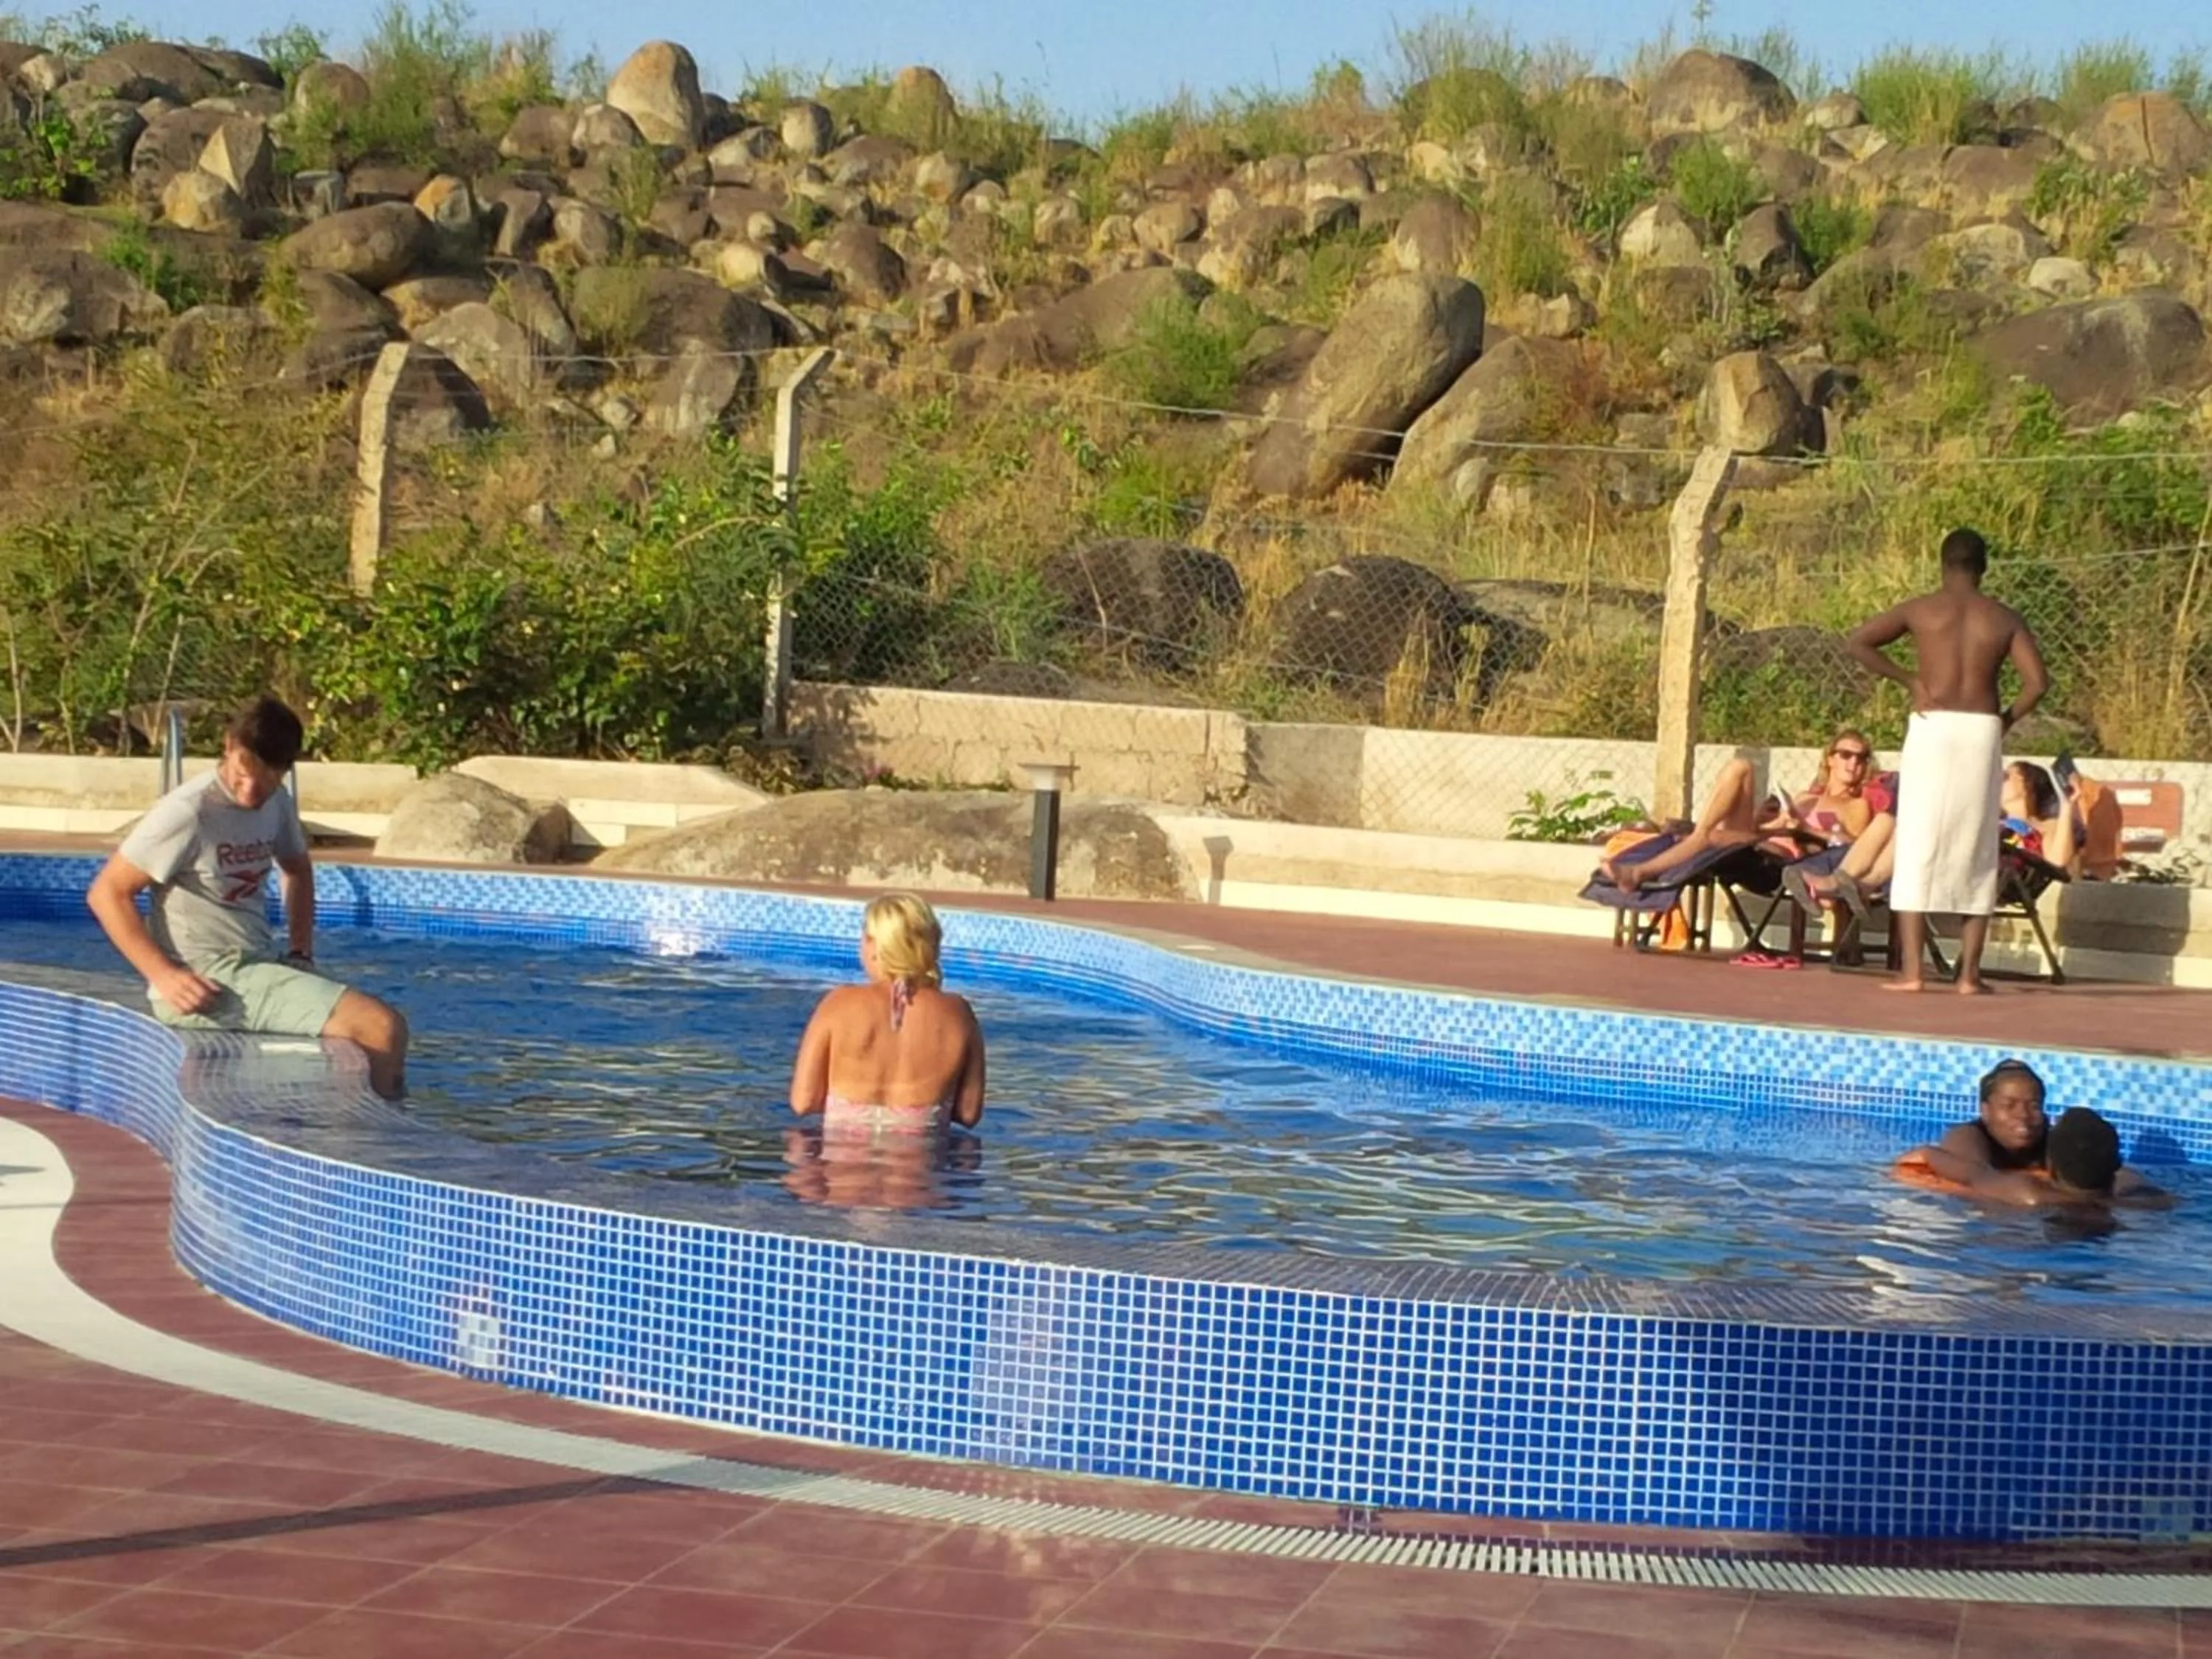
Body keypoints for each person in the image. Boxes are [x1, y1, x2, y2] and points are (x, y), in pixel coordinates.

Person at [86, 696, 409, 1099]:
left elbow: (297, 868)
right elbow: (107, 893)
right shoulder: (188, 812)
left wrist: (300, 952)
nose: (251, 789)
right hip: (208, 981)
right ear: (228, 746)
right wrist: (164, 975)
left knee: (358, 1039)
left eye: (268, 778)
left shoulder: (278, 803)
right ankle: (371, 1133)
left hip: (255, 966)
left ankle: (360, 1118)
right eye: (243, 772)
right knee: (380, 1027)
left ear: (286, 770)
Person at [1846, 528, 2050, 995]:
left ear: (1942, 565)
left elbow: (1857, 643)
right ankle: (1969, 976)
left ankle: (1913, 972)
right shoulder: (2003, 617)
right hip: (1981, 730)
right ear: (1984, 568)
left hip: (1932, 726)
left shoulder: (1921, 609)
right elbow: (2038, 683)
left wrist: (1910, 681)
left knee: (1917, 839)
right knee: (1977, 845)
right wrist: (2005, 721)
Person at [788, 892, 985, 1138]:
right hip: (922, 1162)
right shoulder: (958, 1013)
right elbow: (968, 1113)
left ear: (874, 946)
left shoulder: (838, 1004)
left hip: (842, 1161)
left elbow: (803, 1102)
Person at [1599, 729, 1876, 893]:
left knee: (1708, 836)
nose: (1853, 763)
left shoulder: (1857, 805)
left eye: (1861, 757)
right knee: (1740, 767)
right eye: (1846, 755)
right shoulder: (1805, 798)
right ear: (1830, 759)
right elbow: (1764, 831)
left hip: (1779, 864)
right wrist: (1765, 819)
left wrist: (1805, 829)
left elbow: (1855, 846)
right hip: (1755, 842)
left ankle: (1639, 872)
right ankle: (1698, 835)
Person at [1897, 1061, 2164, 1207]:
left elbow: (2111, 1172)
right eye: (2009, 1105)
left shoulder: (2060, 1143)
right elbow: (1973, 1173)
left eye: (2034, 1105)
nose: (2023, 1116)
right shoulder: (1969, 1136)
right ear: (1985, 1110)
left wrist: (1928, 1153)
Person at [2000, 761, 2081, 876]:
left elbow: (2057, 863)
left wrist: (2067, 805)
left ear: (2028, 786)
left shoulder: (2046, 827)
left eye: (2008, 775)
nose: (2001, 777)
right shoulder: (1991, 820)